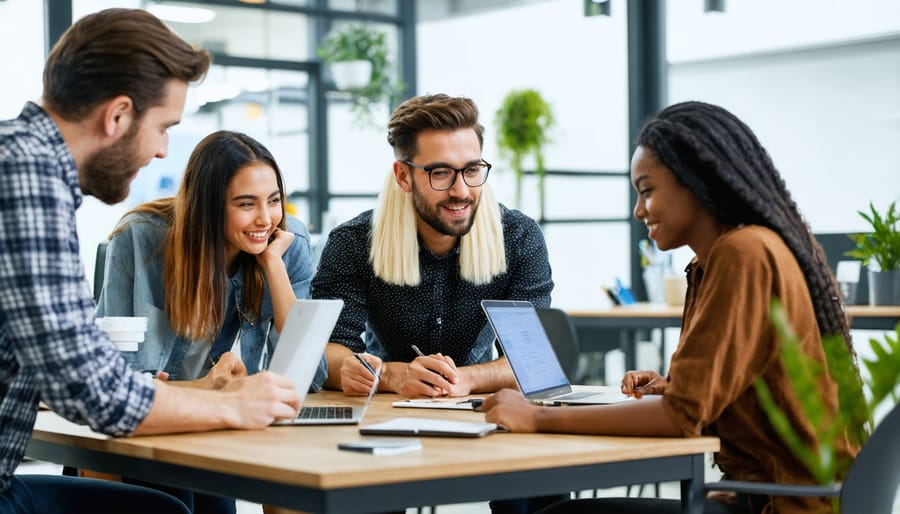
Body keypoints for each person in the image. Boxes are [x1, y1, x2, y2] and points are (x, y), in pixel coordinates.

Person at [482, 101, 858, 514]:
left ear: (695, 182)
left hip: (780, 506)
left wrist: (538, 419)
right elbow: (706, 396)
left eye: (647, 190)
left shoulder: (744, 252)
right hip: (766, 498)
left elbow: (681, 417)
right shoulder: (712, 260)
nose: (638, 210)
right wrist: (673, 384)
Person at [0, 9, 301, 514]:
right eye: (163, 127)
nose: (163, 151)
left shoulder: (22, 160)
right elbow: (91, 389)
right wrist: (227, 403)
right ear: (117, 116)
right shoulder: (27, 177)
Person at [311, 93, 563, 514]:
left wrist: (466, 379)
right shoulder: (353, 243)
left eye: (471, 170)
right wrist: (391, 375)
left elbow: (533, 359)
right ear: (403, 175)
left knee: (539, 484)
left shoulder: (519, 237)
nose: (461, 190)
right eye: (441, 173)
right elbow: (329, 348)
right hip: (385, 416)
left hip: (484, 410)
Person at [93, 130, 326, 514]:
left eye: (274, 201)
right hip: (152, 430)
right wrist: (208, 389)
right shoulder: (142, 238)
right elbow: (124, 387)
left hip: (211, 426)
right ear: (210, 206)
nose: (265, 219)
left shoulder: (287, 242)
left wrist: (272, 265)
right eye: (246, 204)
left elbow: (311, 375)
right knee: (173, 504)